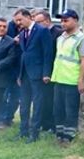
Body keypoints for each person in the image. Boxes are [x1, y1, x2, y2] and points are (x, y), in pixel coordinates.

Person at [14, 8, 54, 143]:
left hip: (38, 74)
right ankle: (23, 131)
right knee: (24, 104)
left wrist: (46, 73)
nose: (18, 23)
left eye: (20, 19)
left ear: (28, 17)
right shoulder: (23, 32)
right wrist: (19, 75)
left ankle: (34, 133)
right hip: (24, 74)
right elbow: (23, 54)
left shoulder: (42, 31)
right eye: (17, 20)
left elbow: (48, 53)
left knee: (37, 104)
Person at [50, 9, 84, 142]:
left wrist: (81, 80)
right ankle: (59, 134)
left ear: (75, 20)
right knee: (58, 110)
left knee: (70, 110)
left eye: (66, 20)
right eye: (61, 20)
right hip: (58, 78)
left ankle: (69, 137)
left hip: (71, 80)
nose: (63, 23)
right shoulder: (60, 38)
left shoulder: (83, 39)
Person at [34, 10, 63, 134]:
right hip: (42, 70)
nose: (37, 25)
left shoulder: (58, 33)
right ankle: (43, 123)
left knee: (52, 100)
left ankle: (52, 125)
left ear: (47, 20)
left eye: (39, 22)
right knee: (43, 99)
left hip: (54, 71)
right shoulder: (38, 33)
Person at [0, 16, 21, 127]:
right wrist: (14, 41)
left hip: (19, 70)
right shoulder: (8, 28)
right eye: (17, 19)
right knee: (3, 95)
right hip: (6, 70)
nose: (19, 22)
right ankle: (2, 118)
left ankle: (9, 117)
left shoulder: (26, 29)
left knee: (16, 97)